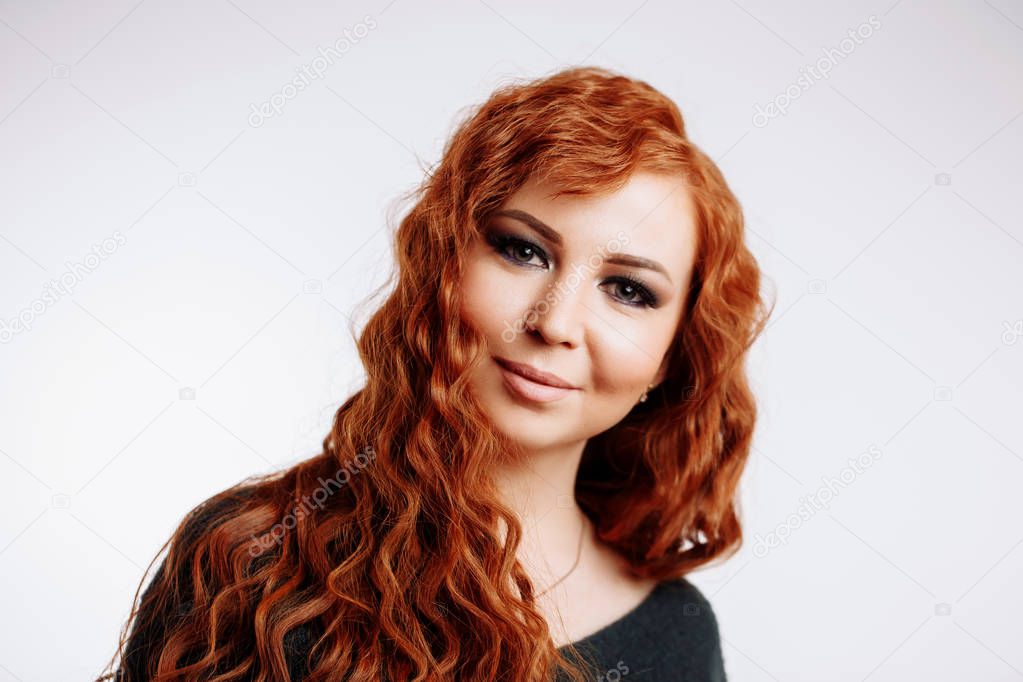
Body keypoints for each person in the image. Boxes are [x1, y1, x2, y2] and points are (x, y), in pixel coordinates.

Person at [97, 65, 772, 682]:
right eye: (521, 250)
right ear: (443, 263)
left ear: (672, 354)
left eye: (627, 291)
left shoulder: (675, 636)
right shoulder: (249, 564)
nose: (554, 322)